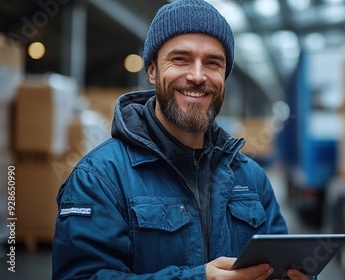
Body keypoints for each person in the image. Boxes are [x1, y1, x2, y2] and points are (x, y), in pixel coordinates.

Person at [52, 0, 312, 279]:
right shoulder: (101, 178)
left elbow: (281, 263)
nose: (198, 76)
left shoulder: (252, 178)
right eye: (180, 59)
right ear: (152, 70)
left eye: (213, 63)